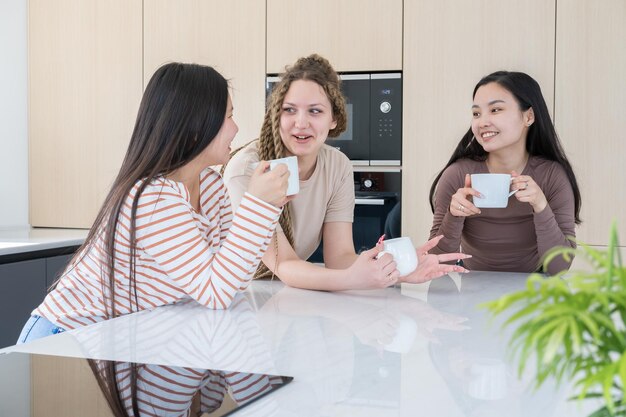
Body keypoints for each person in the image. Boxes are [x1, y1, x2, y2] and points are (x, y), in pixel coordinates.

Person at [17, 62, 291, 344]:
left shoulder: (211, 185)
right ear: (196, 126)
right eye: (228, 116)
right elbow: (215, 292)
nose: (236, 128)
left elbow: (235, 281)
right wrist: (258, 205)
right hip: (66, 336)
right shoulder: (153, 197)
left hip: (119, 338)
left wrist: (269, 207)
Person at [223, 54, 469, 291]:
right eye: (289, 110)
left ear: (334, 119)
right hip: (240, 295)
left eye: (315, 111)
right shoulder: (248, 170)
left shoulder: (338, 165)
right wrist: (354, 280)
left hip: (289, 292)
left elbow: (340, 258)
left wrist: (398, 269)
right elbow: (284, 264)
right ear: (276, 115)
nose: (301, 122)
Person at [428, 71, 581, 275]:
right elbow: (437, 265)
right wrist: (454, 215)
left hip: (535, 291)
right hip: (472, 290)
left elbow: (559, 268)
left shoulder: (552, 175)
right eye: (476, 113)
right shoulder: (457, 175)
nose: (482, 122)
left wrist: (540, 205)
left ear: (528, 116)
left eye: (496, 109)